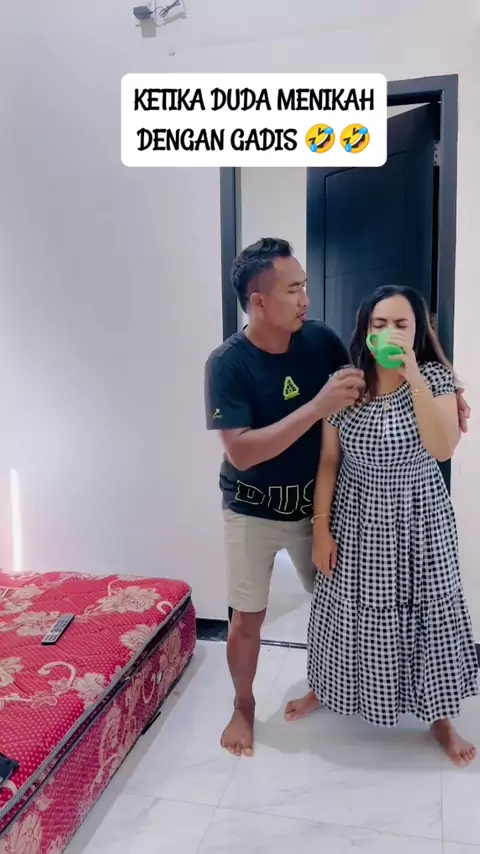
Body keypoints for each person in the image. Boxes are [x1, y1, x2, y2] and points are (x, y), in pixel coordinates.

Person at [285, 285, 478, 767]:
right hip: (356, 518)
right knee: (343, 610)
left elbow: (442, 448)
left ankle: (439, 717)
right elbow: (329, 461)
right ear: (365, 331)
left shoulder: (436, 378)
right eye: (379, 324)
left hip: (420, 521)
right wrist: (321, 529)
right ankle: (326, 688)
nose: (389, 332)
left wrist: (412, 374)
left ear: (417, 332)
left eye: (401, 324)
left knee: (428, 611)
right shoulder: (344, 384)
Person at [204, 238, 365, 756]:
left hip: (315, 505)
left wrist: (444, 393)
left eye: (304, 286)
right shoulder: (227, 363)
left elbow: (368, 388)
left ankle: (328, 685)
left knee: (339, 604)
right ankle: (243, 705)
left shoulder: (320, 341)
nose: (305, 300)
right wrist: (316, 405)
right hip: (250, 507)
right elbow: (241, 451)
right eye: (293, 289)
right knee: (247, 617)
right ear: (259, 301)